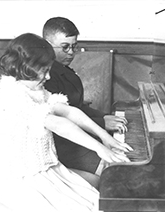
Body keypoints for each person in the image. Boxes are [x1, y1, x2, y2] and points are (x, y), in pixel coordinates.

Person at [0, 33, 132, 212]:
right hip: (18, 180)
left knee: (94, 196)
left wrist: (105, 136)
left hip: (45, 170)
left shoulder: (33, 89)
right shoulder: (12, 94)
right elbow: (59, 124)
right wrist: (100, 148)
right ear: (27, 67)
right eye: (44, 70)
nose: (47, 76)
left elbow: (69, 112)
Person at [43, 17, 128, 177]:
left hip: (76, 136)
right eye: (65, 47)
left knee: (116, 155)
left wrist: (105, 117)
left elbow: (78, 108)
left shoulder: (64, 69)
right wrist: (103, 123)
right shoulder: (47, 76)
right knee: (113, 170)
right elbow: (63, 119)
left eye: (74, 46)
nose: (71, 52)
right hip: (63, 144)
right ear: (47, 45)